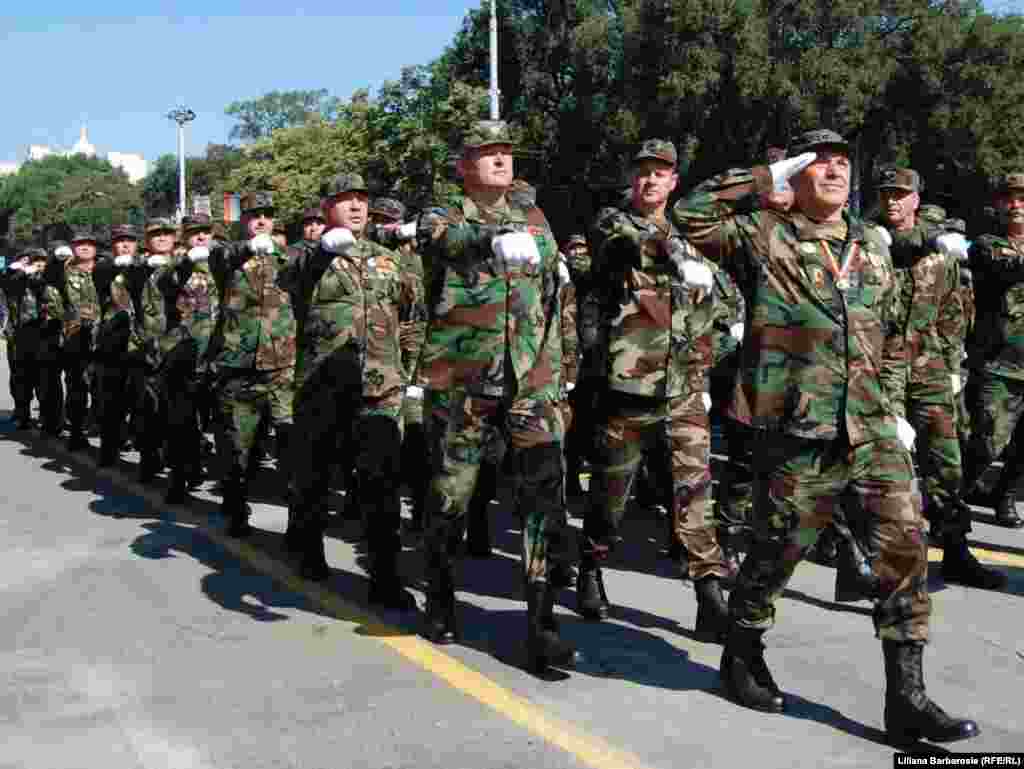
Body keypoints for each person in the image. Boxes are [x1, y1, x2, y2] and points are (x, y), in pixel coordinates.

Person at [674, 129, 978, 746]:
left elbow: (891, 328)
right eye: (819, 164)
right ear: (796, 177)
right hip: (796, 428)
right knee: (776, 551)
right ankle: (742, 651)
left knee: (903, 550)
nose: (834, 172)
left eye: (842, 164)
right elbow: (690, 213)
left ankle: (907, 696)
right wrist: (767, 178)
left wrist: (892, 405)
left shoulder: (870, 243)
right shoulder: (764, 234)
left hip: (869, 428)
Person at [416, 120, 576, 675]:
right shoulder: (442, 216)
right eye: (487, 152)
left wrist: (559, 370)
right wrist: (488, 238)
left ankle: (541, 618)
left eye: (506, 151)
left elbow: (556, 297)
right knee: (450, 496)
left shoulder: (536, 220)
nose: (501, 159)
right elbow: (442, 245)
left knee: (543, 496)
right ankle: (439, 593)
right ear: (464, 166)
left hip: (530, 380)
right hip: (463, 380)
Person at [577, 138, 731, 641]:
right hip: (626, 390)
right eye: (642, 172)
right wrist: (671, 252)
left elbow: (726, 303)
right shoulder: (611, 222)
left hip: (684, 389)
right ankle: (591, 563)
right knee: (612, 499)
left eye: (659, 173)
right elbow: (621, 248)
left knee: (694, 495)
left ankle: (710, 596)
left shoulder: (696, 235)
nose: (649, 180)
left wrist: (710, 361)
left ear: (673, 182)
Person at [287, 173, 421, 601]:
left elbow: (412, 315)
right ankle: (309, 551)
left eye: (362, 200)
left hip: (380, 385)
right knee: (314, 478)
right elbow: (293, 281)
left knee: (381, 484)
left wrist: (412, 373)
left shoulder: (388, 257)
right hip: (322, 385)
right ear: (328, 209)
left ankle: (384, 576)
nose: (357, 207)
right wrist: (322, 252)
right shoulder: (306, 256)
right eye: (346, 200)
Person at [207, 191, 297, 536]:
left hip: (282, 367)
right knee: (237, 450)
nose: (261, 221)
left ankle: (298, 527)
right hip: (238, 368)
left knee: (291, 452)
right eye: (253, 215)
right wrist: (248, 248)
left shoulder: (288, 257)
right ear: (242, 220)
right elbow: (219, 258)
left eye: (267, 215)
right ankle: (235, 511)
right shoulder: (226, 255)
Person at [961, 172, 1024, 529]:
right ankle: (949, 505)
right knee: (986, 443)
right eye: (1009, 198)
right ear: (998, 204)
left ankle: (1005, 497)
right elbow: (1009, 266)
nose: (1016, 205)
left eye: (1023, 198)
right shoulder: (986, 244)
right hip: (1000, 365)